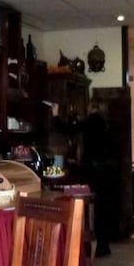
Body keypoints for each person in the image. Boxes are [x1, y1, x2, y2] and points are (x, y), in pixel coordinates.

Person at [54, 97, 120, 257]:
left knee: (92, 209)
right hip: (107, 170)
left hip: (93, 171)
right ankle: (103, 245)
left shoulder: (92, 120)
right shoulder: (106, 124)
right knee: (103, 208)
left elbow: (67, 129)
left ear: (92, 107)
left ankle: (91, 245)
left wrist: (55, 115)